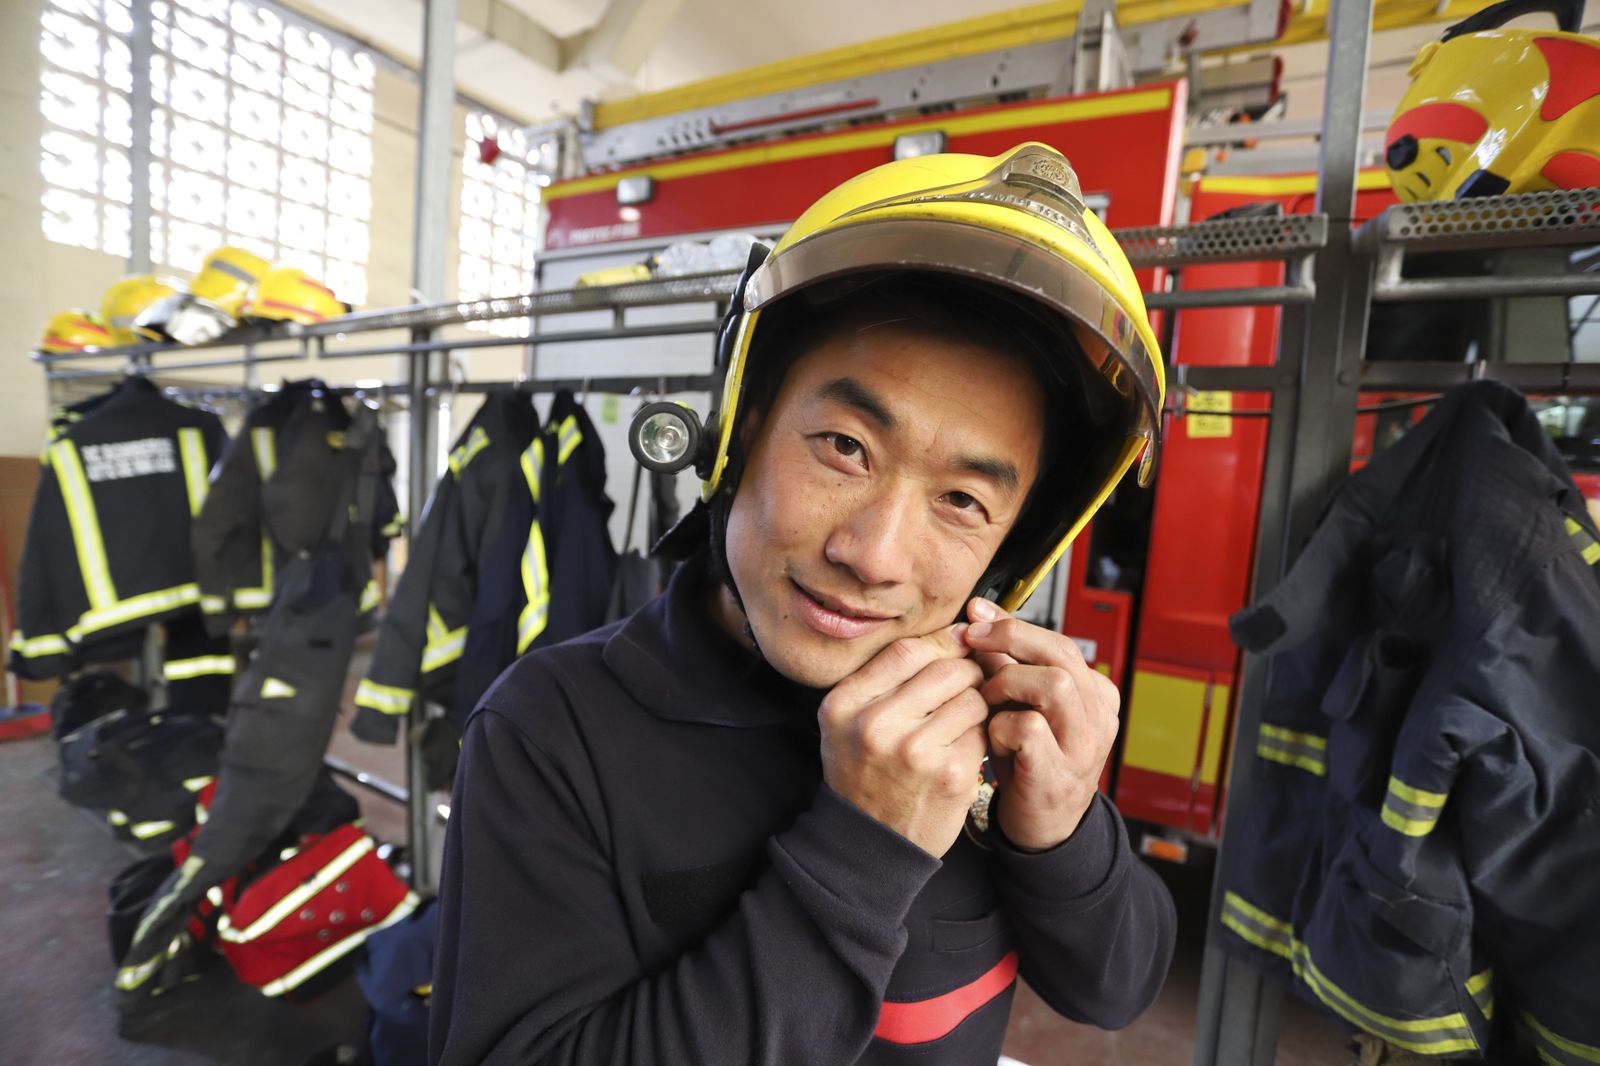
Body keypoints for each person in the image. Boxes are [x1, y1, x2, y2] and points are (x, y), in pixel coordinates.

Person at [431, 142, 1178, 1065]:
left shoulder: (989, 727)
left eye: (962, 501)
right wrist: (862, 851)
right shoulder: (554, 731)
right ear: (744, 429)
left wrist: (1064, 829)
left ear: (1012, 544)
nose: (872, 556)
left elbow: (1115, 988)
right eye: (843, 446)